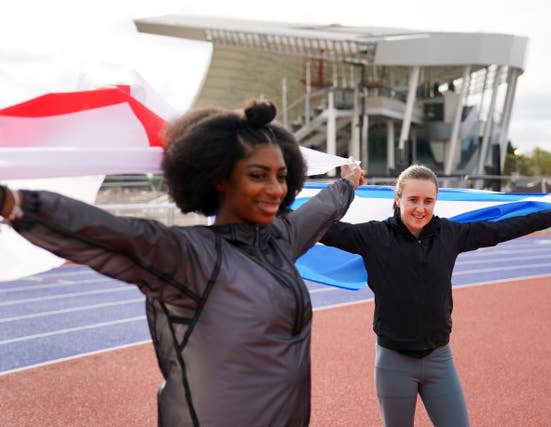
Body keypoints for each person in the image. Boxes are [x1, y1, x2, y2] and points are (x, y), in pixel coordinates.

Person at [0, 99, 364, 427]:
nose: (276, 189)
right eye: (258, 175)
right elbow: (107, 232)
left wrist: (347, 184)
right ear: (219, 179)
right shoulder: (189, 257)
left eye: (282, 176)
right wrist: (12, 202)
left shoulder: (280, 242)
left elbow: (321, 210)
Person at [320, 164, 551, 427]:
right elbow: (320, 225)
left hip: (439, 360)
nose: (421, 208)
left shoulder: (450, 234)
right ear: (398, 199)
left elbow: (501, 229)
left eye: (428, 201)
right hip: (393, 363)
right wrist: (344, 186)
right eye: (413, 200)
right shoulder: (373, 236)